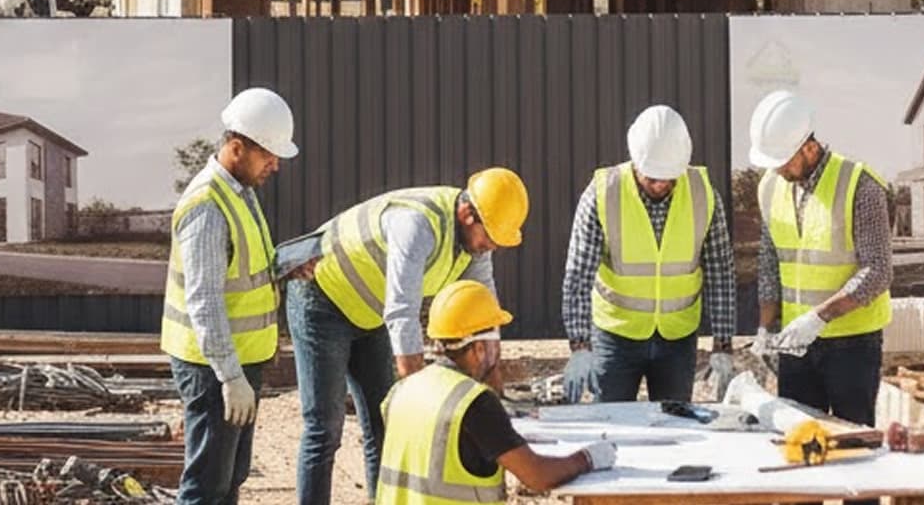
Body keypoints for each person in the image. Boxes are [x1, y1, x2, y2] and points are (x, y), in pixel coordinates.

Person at [291, 168, 530, 505]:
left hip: (370, 313)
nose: (491, 245)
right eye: (490, 236)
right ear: (467, 214)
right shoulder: (416, 224)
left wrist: (493, 391)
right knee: (325, 429)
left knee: (384, 423)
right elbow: (402, 310)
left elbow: (484, 312)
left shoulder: (475, 244)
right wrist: (424, 401)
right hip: (321, 299)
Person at [748, 89, 893, 505]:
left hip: (853, 344)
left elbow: (878, 271)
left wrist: (819, 318)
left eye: (784, 161)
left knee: (853, 453)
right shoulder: (770, 187)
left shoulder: (860, 186)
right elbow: (769, 261)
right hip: (796, 346)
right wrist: (765, 324)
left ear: (809, 147)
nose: (777, 170)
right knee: (800, 453)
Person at [161, 87, 297, 505]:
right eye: (267, 155)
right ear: (236, 147)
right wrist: (229, 376)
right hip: (212, 369)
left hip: (238, 364)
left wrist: (289, 266)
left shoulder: (242, 193)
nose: (275, 165)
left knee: (230, 478)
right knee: (207, 486)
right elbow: (205, 301)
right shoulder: (207, 206)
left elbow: (251, 267)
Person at [559, 104, 737, 404]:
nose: (661, 185)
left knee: (676, 429)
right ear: (636, 161)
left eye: (669, 178)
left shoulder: (703, 193)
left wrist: (723, 345)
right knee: (613, 427)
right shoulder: (604, 193)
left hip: (677, 339)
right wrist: (580, 346)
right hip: (615, 336)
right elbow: (578, 276)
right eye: (653, 177)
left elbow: (721, 272)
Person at [377, 280, 613, 505]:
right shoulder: (474, 403)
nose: (499, 351)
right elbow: (537, 476)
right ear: (479, 348)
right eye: (496, 341)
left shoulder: (401, 391)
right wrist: (587, 459)